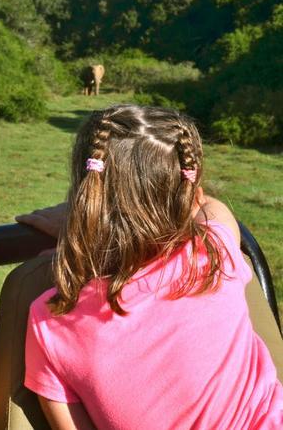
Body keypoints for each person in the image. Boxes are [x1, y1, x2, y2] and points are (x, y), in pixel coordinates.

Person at [16, 105, 283, 429]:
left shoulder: (50, 324)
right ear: (191, 193)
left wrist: (81, 224)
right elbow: (213, 207)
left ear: (86, 193)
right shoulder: (211, 254)